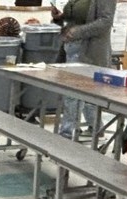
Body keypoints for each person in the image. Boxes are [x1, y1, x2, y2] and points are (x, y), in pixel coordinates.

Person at [49, 0, 117, 139]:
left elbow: (105, 22)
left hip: (90, 50)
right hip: (71, 46)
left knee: (74, 93)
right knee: (82, 91)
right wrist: (59, 18)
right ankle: (96, 128)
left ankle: (67, 133)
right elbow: (76, 18)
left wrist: (78, 31)